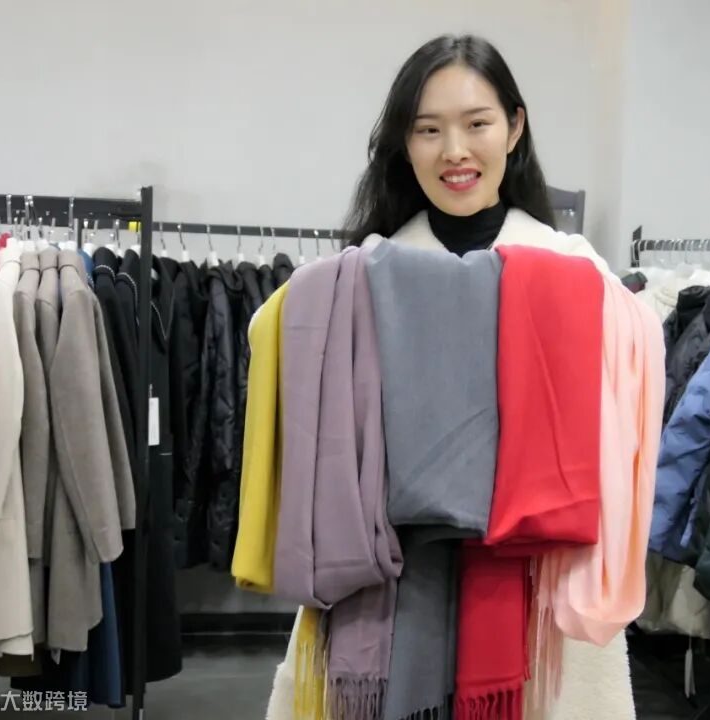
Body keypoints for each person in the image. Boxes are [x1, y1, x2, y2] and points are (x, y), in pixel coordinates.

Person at [266, 34, 638, 720]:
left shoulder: (578, 274)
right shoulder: (357, 279)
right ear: (404, 144)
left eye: (477, 124)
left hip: (539, 584)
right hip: (385, 572)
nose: (455, 151)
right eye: (428, 130)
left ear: (515, 128)